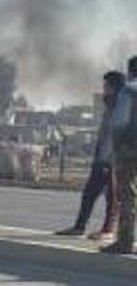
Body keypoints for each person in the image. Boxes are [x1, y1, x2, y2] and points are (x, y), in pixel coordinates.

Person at [56, 71, 124, 240]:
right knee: (91, 194)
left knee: (110, 197)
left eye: (107, 86)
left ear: (114, 88)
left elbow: (116, 134)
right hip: (103, 157)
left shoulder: (120, 106)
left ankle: (105, 230)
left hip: (111, 159)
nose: (104, 89)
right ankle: (82, 227)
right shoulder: (110, 106)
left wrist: (111, 158)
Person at [103, 58, 137, 254]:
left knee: (126, 196)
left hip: (129, 150)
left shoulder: (128, 90)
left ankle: (125, 241)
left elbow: (119, 123)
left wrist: (115, 149)